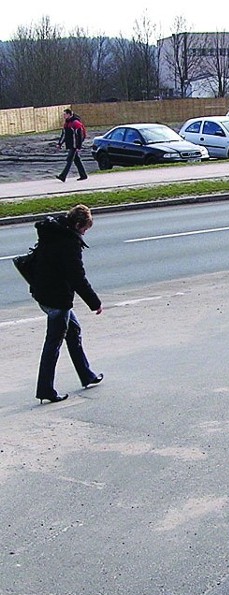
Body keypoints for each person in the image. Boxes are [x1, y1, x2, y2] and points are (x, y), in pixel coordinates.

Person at [30, 204, 103, 403]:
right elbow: (77, 277)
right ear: (78, 224)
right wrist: (94, 302)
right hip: (57, 299)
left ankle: (86, 374)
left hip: (43, 292)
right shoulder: (69, 243)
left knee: (73, 331)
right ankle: (45, 389)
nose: (85, 233)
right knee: (53, 344)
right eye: (85, 229)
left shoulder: (54, 231)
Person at [56, 108, 88, 182]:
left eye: (65, 114)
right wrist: (59, 144)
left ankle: (63, 176)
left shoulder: (75, 123)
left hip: (74, 145)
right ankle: (83, 175)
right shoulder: (66, 124)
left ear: (69, 114)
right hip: (71, 145)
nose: (63, 116)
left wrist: (78, 146)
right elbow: (64, 135)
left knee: (69, 160)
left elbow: (80, 135)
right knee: (77, 160)